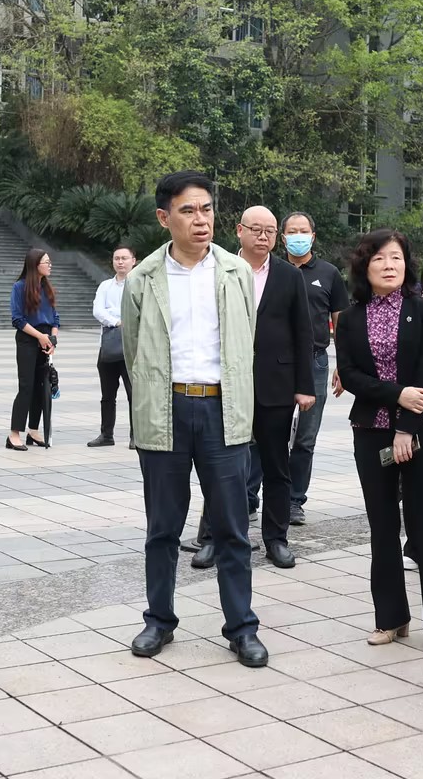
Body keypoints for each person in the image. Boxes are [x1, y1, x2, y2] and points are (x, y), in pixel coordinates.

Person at [121, 171, 268, 668]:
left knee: (232, 528)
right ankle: (158, 620)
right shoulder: (143, 278)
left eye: (206, 208)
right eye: (188, 210)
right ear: (164, 218)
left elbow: (246, 342)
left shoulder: (235, 272)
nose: (201, 219)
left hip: (222, 410)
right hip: (165, 411)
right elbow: (133, 352)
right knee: (162, 527)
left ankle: (242, 628)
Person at [337, 230, 423, 659]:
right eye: (379, 259)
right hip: (370, 429)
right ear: (364, 266)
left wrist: (407, 427)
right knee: (383, 526)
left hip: (422, 427)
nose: (389, 265)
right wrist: (396, 395)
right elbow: (350, 374)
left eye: (396, 257)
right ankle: (391, 618)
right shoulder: (350, 317)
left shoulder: (422, 308)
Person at [192, 208, 315, 571]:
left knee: (277, 466)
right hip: (226, 384)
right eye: (256, 229)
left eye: (270, 231)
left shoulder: (289, 275)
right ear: (239, 230)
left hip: (275, 384)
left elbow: (303, 331)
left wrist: (304, 386)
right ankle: (212, 538)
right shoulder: (218, 269)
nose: (263, 236)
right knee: (221, 465)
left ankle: (276, 540)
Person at [282, 212, 349, 525]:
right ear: (283, 237)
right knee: (268, 433)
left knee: (306, 438)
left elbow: (340, 320)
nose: (298, 236)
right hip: (277, 362)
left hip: (316, 361)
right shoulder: (274, 270)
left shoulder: (328, 273)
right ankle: (252, 496)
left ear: (313, 235)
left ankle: (295, 500)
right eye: (292, 231)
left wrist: (343, 364)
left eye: (303, 231)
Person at [8, 249, 61, 450]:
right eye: (46, 262)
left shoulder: (47, 288)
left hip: (45, 340)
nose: (50, 265)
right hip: (28, 340)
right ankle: (14, 434)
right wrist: (40, 337)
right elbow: (17, 319)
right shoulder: (19, 287)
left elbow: (55, 318)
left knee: (42, 387)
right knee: (26, 386)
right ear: (34, 265)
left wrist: (52, 339)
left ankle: (33, 430)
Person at [90, 246, 135, 448]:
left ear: (133, 260)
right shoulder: (105, 286)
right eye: (117, 258)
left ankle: (137, 436)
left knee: (134, 394)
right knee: (107, 395)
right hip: (108, 348)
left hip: (132, 348)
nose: (120, 262)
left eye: (124, 258)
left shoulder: (139, 284)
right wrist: (117, 321)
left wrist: (114, 314)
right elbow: (98, 311)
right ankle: (106, 434)